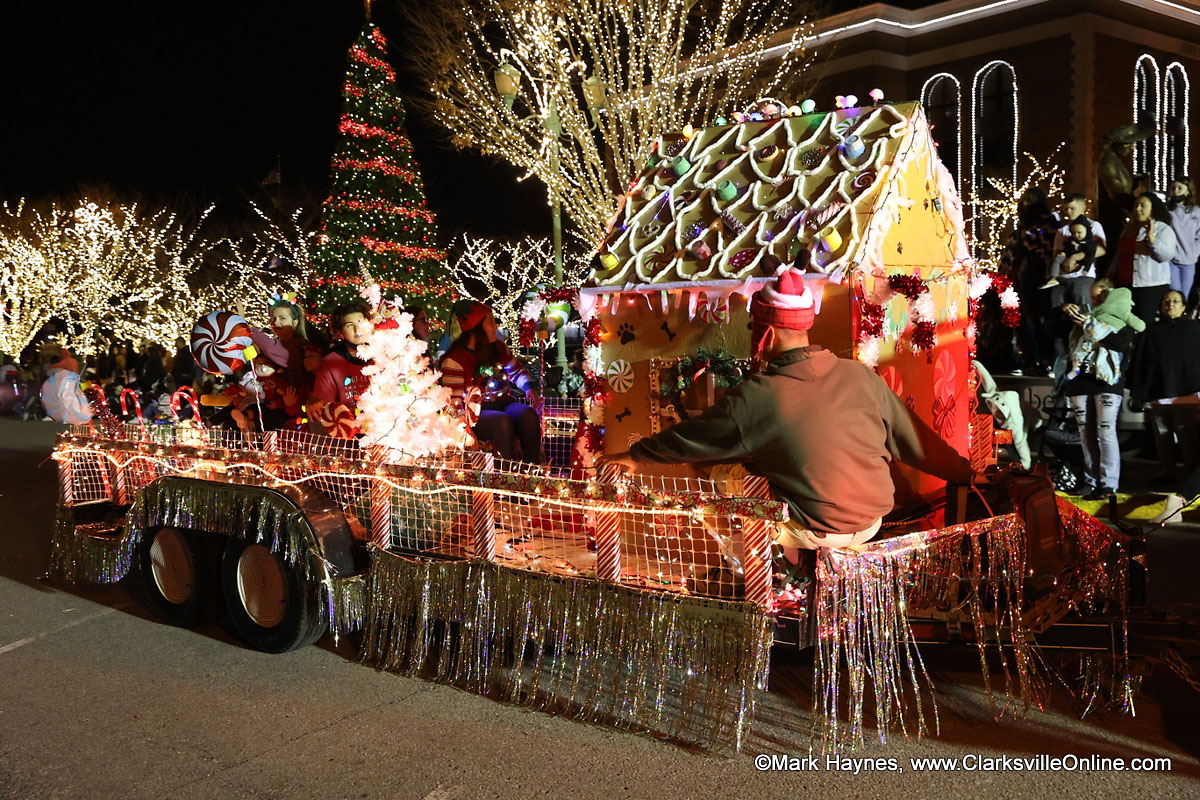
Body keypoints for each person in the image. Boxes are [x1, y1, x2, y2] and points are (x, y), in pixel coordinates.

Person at [599, 268, 973, 551]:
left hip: (819, 530)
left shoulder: (758, 397)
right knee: (764, 458)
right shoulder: (861, 376)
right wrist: (959, 471)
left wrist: (637, 455)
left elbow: (693, 440)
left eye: (752, 327)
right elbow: (915, 439)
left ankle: (760, 591)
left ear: (769, 333)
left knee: (720, 475)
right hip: (873, 519)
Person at [1061, 280, 1142, 500]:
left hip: (1107, 381)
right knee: (1085, 433)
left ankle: (1108, 483)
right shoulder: (1083, 317)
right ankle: (1091, 480)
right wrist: (1065, 311)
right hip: (1080, 381)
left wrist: (1088, 324)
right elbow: (1061, 336)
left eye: (1099, 294)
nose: (1095, 298)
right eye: (1093, 295)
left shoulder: (1122, 321)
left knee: (1105, 431)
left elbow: (1118, 344)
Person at [439, 300, 542, 463]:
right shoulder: (455, 360)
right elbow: (454, 405)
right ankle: (506, 479)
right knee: (502, 422)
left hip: (504, 402)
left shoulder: (498, 349)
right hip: (474, 414)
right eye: (491, 322)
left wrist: (529, 389)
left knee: (528, 415)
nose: (496, 327)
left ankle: (533, 473)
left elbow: (517, 372)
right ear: (476, 327)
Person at [1129, 290, 1200, 481]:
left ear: (1184, 306)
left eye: (1175, 301)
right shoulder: (1151, 330)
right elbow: (1141, 361)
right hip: (1158, 393)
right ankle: (1166, 471)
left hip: (1185, 395)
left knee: (1187, 436)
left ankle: (1191, 475)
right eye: (1167, 301)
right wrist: (1140, 390)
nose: (1170, 304)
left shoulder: (1193, 330)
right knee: (1162, 435)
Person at [1109, 193, 1178, 324]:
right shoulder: (1128, 230)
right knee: (1126, 324)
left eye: (1143, 206)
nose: (1137, 209)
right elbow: (1119, 256)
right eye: (1135, 206)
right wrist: (1110, 276)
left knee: (1145, 324)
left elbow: (1167, 256)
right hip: (1125, 285)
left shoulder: (1163, 229)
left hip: (1149, 286)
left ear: (1153, 208)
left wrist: (1151, 238)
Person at [308, 301, 372, 438]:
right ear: (340, 333)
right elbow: (323, 403)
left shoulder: (386, 355)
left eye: (361, 322)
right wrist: (315, 403)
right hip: (349, 434)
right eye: (350, 326)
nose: (357, 329)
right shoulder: (332, 362)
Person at [1044, 194, 1107, 308]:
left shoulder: (1093, 226)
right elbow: (1056, 252)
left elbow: (1101, 250)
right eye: (1066, 209)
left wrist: (1075, 257)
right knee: (1057, 306)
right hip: (1063, 277)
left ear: (1083, 207)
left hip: (1082, 275)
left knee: (1082, 305)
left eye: (1072, 208)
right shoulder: (1062, 231)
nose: (1068, 212)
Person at [1166, 176, 1200, 305]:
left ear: (1188, 191)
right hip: (1172, 260)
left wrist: (1195, 252)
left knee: (1184, 296)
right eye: (1173, 188)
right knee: (1174, 294)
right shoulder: (1167, 212)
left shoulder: (1196, 212)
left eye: (1180, 188)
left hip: (1190, 261)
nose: (1176, 191)